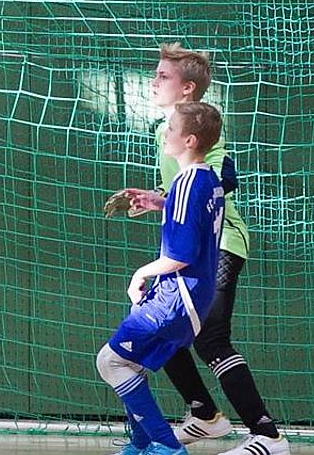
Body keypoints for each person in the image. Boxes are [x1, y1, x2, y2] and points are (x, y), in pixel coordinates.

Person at [116, 44, 290, 455]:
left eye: (163, 76)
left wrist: (174, 200)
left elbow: (221, 181)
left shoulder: (204, 132)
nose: (154, 81)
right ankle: (205, 415)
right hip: (192, 247)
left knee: (211, 338)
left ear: (187, 89)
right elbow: (185, 193)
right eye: (155, 74)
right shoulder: (165, 133)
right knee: (164, 328)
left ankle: (267, 435)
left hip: (221, 243)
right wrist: (159, 199)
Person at [99, 101, 227, 455]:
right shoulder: (208, 180)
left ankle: (166, 445)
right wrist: (160, 203)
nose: (165, 134)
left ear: (189, 140)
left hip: (177, 296)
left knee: (109, 361)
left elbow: (181, 255)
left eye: (171, 129)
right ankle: (140, 444)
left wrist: (139, 274)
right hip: (192, 296)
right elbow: (196, 221)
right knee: (128, 362)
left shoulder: (185, 184)